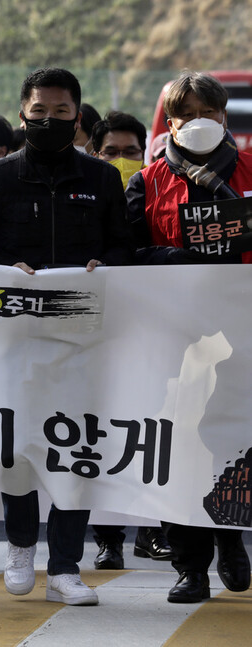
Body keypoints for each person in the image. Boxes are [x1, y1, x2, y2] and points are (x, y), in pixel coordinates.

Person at [0, 68, 134, 606]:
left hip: (82, 337)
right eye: (39, 112)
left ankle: (64, 566)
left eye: (61, 113)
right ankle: (19, 546)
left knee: (74, 449)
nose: (49, 121)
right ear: (22, 114)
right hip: (13, 337)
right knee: (16, 448)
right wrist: (3, 267)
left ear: (78, 117)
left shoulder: (103, 179)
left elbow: (125, 249)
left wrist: (103, 265)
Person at [126, 71, 252, 603]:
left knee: (233, 442)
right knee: (180, 449)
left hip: (242, 334)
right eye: (188, 114)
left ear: (224, 117)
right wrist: (171, 257)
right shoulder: (148, 181)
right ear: (169, 123)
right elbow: (125, 252)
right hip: (175, 339)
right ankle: (189, 566)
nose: (200, 122)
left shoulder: (249, 171)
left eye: (210, 112)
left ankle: (231, 539)